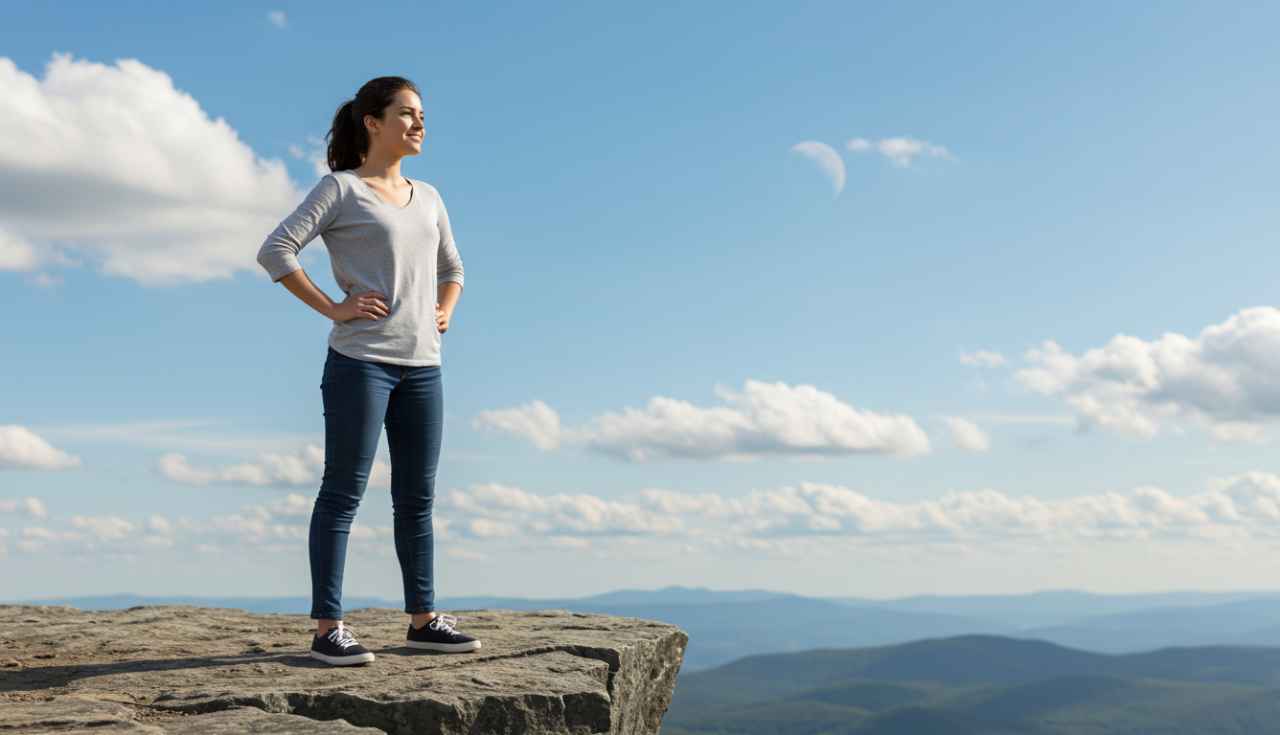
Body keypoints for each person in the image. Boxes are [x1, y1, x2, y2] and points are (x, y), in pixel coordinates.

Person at [256, 76, 480, 666]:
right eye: (406, 113)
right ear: (372, 123)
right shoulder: (341, 190)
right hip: (361, 363)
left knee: (417, 498)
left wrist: (444, 311)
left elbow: (453, 268)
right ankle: (329, 627)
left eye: (422, 115)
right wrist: (333, 306)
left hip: (424, 367)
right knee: (343, 493)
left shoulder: (428, 196)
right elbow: (276, 250)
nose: (419, 123)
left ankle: (423, 619)